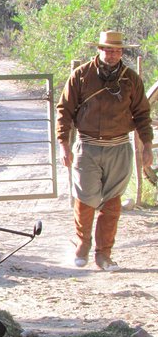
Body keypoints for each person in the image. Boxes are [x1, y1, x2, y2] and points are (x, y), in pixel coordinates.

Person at [56, 30, 154, 271]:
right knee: (85, 199)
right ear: (98, 50)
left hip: (118, 147)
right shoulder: (81, 76)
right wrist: (63, 144)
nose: (112, 54)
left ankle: (104, 254)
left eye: (117, 50)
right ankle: (82, 244)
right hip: (87, 145)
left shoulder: (131, 79)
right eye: (108, 49)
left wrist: (148, 145)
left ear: (122, 52)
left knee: (112, 203)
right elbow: (64, 111)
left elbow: (142, 114)